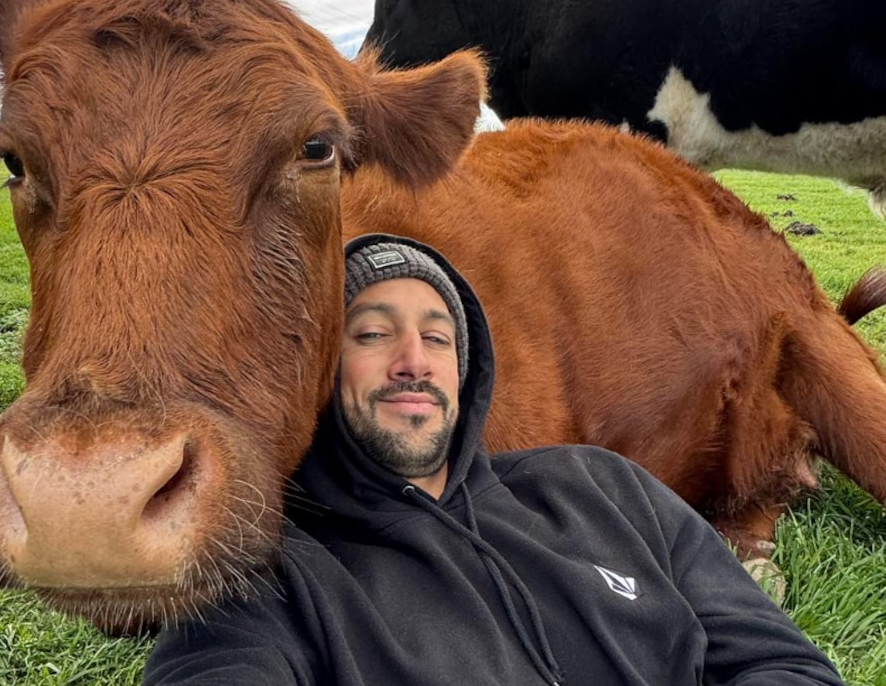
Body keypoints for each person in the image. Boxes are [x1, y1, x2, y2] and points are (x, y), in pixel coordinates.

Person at [143, 233, 847, 685]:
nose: (413, 361)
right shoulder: (272, 575)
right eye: (373, 334)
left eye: (437, 337)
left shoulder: (604, 486)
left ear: (465, 369)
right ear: (321, 369)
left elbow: (783, 663)